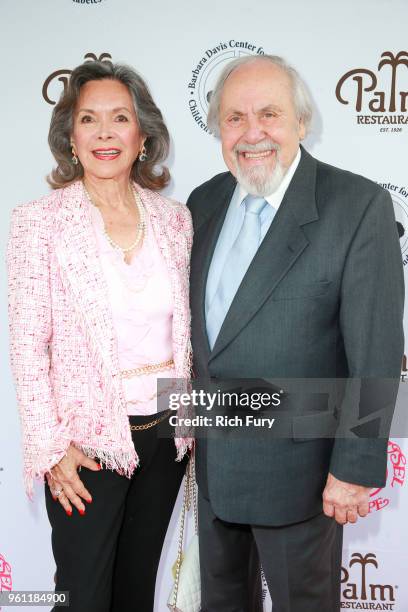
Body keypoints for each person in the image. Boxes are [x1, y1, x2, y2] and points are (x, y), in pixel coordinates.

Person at [187, 54, 404, 611]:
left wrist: (353, 470)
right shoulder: (204, 201)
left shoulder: (356, 205)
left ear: (301, 123)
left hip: (304, 479)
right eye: (234, 118)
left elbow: (377, 350)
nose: (252, 133)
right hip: (214, 472)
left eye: (269, 115)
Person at [7, 60, 192, 612]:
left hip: (166, 438)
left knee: (136, 591)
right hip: (85, 445)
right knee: (83, 595)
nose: (105, 133)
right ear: (70, 136)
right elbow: (26, 344)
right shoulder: (37, 222)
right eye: (89, 119)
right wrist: (50, 446)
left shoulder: (175, 219)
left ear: (143, 135)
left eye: (120, 118)